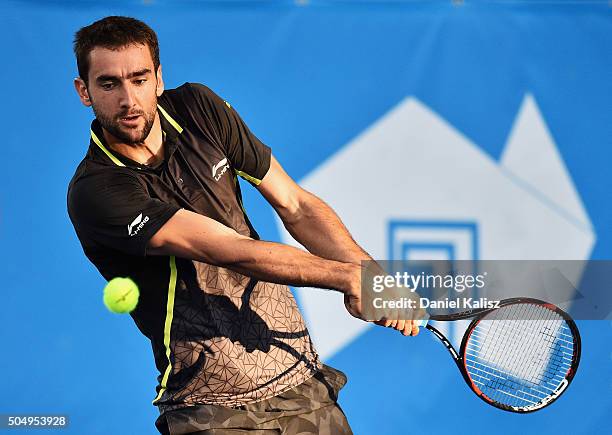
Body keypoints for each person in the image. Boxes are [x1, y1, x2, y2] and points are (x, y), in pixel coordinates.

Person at [67, 16, 419, 435]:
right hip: (208, 401)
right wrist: (348, 277)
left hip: (298, 376)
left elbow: (295, 204)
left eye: (140, 79)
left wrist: (372, 280)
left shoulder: (199, 108)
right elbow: (228, 250)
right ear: (84, 91)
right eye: (109, 84)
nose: (129, 99)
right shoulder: (96, 190)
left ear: (159, 79)